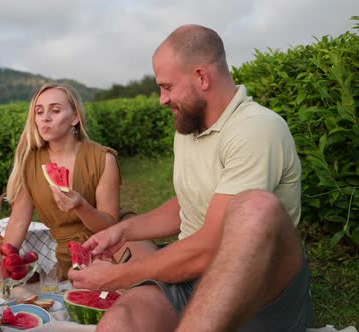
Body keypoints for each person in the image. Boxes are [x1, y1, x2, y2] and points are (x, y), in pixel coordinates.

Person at [68, 24, 313, 331]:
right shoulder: (188, 125)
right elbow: (190, 202)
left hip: (261, 289)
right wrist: (124, 230)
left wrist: (117, 276)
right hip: (193, 277)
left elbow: (213, 245)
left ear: (201, 77)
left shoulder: (257, 128)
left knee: (255, 207)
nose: (161, 99)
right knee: (118, 323)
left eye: (167, 87)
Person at [3, 83, 156, 280]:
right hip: (69, 254)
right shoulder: (29, 163)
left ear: (74, 118)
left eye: (55, 110)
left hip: (113, 244)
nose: (45, 118)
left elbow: (108, 226)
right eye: (39, 112)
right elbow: (17, 221)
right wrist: (6, 257)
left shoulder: (103, 158)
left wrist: (81, 206)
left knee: (147, 286)